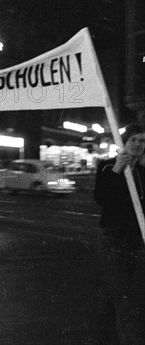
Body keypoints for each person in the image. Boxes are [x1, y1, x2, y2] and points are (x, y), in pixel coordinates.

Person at [94, 123, 145, 344]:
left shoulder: (143, 171)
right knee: (124, 296)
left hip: (138, 240)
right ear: (123, 142)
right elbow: (102, 198)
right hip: (112, 238)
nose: (137, 144)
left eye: (142, 141)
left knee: (115, 295)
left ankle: (105, 338)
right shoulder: (107, 166)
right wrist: (117, 169)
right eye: (133, 139)